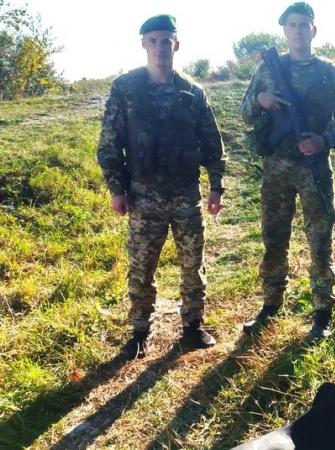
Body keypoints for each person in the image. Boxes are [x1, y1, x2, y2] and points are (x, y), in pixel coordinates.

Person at [97, 14, 226, 360]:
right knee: (141, 267)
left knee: (193, 265)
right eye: (153, 41)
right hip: (143, 196)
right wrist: (117, 189)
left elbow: (212, 144)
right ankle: (140, 331)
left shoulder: (192, 92)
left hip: (186, 195)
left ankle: (193, 326)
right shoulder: (126, 88)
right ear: (143, 44)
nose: (159, 48)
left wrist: (216, 186)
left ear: (176, 45)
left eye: (166, 41)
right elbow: (109, 144)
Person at [240, 2, 335, 338]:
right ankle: (271, 303)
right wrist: (260, 100)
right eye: (291, 25)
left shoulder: (329, 72)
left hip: (314, 168)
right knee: (274, 237)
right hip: (276, 168)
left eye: (303, 25)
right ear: (284, 30)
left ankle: (322, 311)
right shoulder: (268, 69)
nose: (297, 31)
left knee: (320, 239)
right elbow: (245, 114)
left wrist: (324, 140)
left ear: (313, 30)